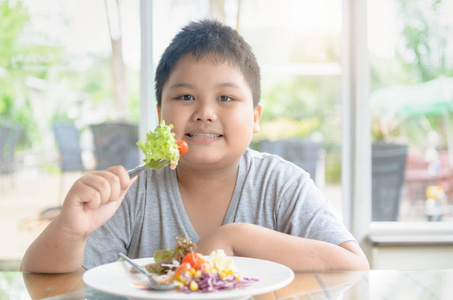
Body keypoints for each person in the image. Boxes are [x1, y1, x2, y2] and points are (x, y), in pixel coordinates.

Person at [21, 19, 369, 273]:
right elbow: (43, 279)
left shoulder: (282, 185)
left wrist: (235, 238)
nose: (205, 112)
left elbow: (353, 266)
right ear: (161, 115)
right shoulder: (132, 192)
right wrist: (71, 230)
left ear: (256, 117)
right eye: (185, 96)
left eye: (226, 97)